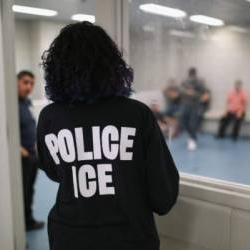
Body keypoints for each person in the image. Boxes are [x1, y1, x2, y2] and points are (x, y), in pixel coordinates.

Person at [37, 21, 179, 250]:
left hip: (69, 238)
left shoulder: (50, 117)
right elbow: (163, 196)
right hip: (130, 237)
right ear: (111, 64)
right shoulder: (137, 114)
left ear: (56, 69)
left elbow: (55, 172)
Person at [18, 70, 44, 231]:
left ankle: (28, 221)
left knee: (29, 191)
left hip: (31, 156)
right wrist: (21, 151)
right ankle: (21, 226)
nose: (29, 87)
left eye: (32, 83)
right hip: (23, 158)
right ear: (17, 81)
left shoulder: (25, 103)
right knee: (23, 193)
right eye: (25, 82)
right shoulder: (11, 103)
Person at [180, 67, 208, 151]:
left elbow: (205, 94)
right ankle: (191, 136)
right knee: (183, 122)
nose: (192, 76)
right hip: (185, 105)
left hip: (195, 106)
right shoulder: (184, 81)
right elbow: (181, 90)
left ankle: (193, 140)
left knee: (192, 124)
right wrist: (186, 92)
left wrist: (197, 95)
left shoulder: (198, 82)